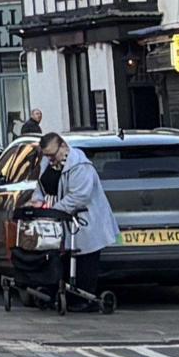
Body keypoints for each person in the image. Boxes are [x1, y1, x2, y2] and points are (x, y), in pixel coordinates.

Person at [38, 131, 120, 313]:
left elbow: (79, 196)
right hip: (68, 225)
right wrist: (36, 200)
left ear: (64, 147)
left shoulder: (81, 166)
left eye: (52, 155)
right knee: (67, 262)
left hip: (87, 223)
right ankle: (67, 297)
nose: (50, 159)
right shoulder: (50, 163)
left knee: (85, 263)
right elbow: (42, 186)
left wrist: (54, 210)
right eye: (46, 155)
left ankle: (86, 299)